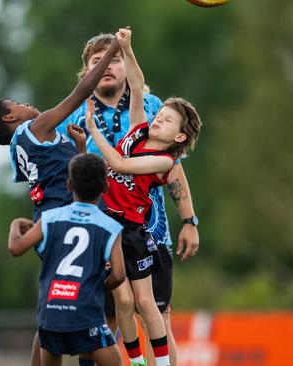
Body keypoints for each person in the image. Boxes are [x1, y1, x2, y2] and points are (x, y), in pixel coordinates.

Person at [58, 31, 200, 366]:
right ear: (87, 71)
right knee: (101, 319)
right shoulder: (72, 115)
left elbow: (174, 172)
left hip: (148, 230)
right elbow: (64, 176)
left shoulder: (153, 110)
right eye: (98, 60)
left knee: (156, 311)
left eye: (114, 58)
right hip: (98, 232)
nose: (106, 65)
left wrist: (190, 220)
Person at [0, 32, 121, 221]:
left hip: (48, 218)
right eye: (17, 103)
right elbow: (80, 94)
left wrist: (80, 148)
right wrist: (111, 52)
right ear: (10, 117)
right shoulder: (34, 128)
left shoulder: (21, 149)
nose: (26, 104)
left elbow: (64, 173)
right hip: (71, 213)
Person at [8, 153, 126, 366]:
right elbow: (118, 275)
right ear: (105, 188)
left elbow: (15, 248)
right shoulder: (110, 227)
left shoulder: (49, 219)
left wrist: (16, 224)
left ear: (69, 185)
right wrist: (98, 288)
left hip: (52, 312)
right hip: (86, 312)